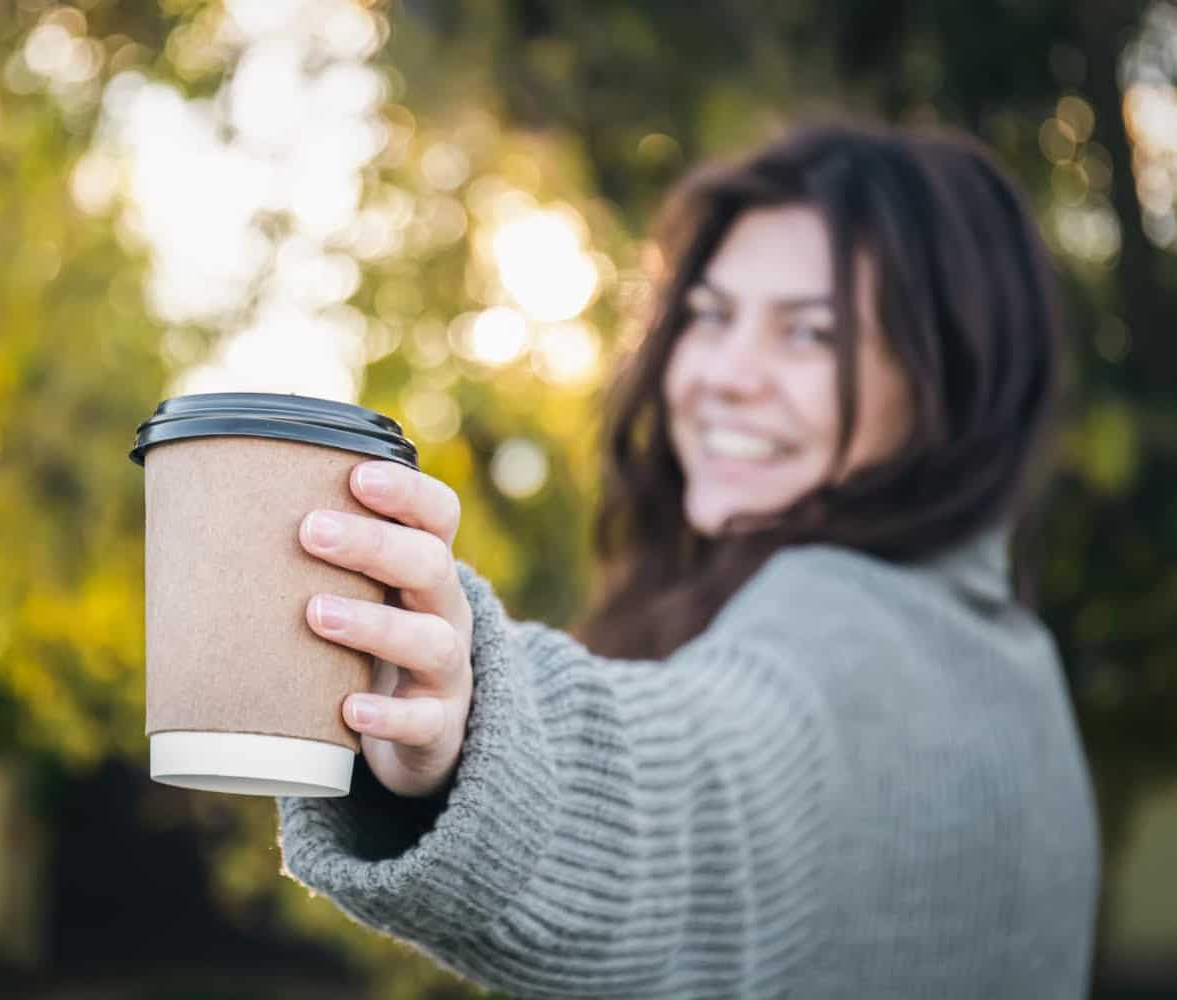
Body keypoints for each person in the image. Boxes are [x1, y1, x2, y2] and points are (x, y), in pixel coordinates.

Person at [277, 122, 1100, 999]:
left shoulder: (841, 628)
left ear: (951, 381)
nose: (722, 374)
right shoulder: (1014, 660)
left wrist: (469, 719)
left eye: (812, 334)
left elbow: (707, 792)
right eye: (709, 315)